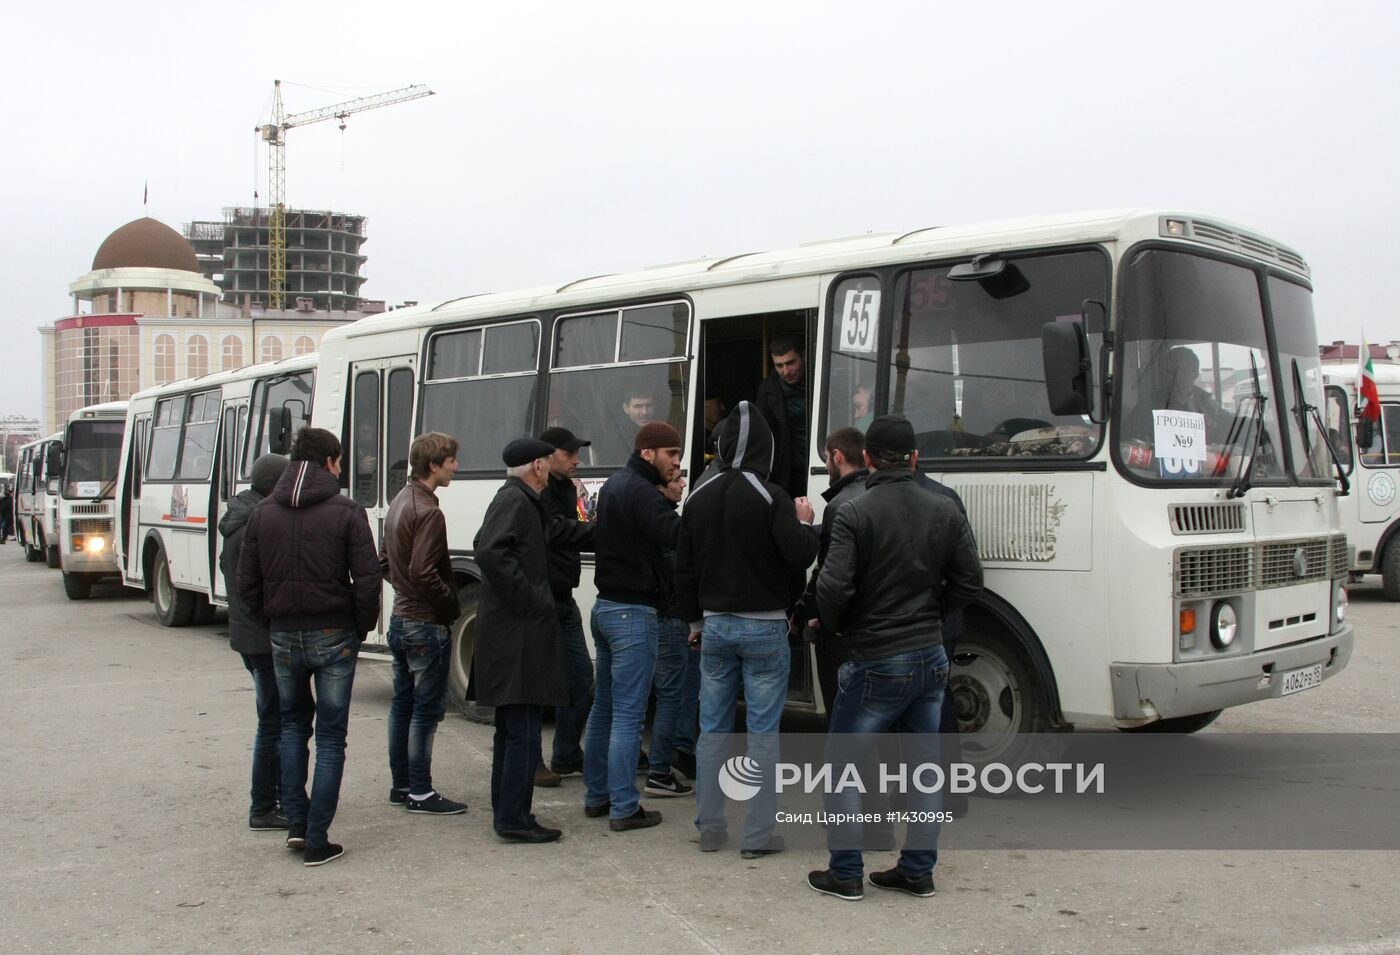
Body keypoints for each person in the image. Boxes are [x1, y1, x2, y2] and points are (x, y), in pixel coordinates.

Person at [806, 414, 982, 901]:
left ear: (866, 459)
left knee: (841, 766)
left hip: (876, 655)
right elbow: (970, 582)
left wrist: (841, 624)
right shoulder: (944, 507)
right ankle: (917, 870)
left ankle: (845, 873)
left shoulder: (853, 511)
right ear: (915, 457)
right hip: (930, 653)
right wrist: (931, 612)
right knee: (924, 768)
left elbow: (833, 587)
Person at [675, 401, 819, 857]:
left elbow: (685, 570)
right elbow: (799, 554)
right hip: (764, 630)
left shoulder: (697, 495)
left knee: (712, 732)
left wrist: (695, 622)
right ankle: (758, 837)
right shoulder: (771, 495)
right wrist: (806, 524)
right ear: (766, 448)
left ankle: (710, 828)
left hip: (714, 628)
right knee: (762, 737)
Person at [238, 427, 382, 867]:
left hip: (283, 634)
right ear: (331, 462)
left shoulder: (263, 513)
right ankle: (318, 836)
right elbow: (369, 579)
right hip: (333, 633)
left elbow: (247, 584)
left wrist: (273, 619)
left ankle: (297, 826)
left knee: (292, 728)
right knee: (332, 738)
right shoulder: (346, 511)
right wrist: (358, 628)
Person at [583, 421, 684, 831]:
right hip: (632, 614)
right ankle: (624, 807)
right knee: (627, 715)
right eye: (670, 455)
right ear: (648, 453)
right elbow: (677, 538)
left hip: (605, 608)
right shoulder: (644, 493)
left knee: (603, 708)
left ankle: (596, 796)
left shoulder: (614, 485)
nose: (676, 463)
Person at [473, 437, 569, 843]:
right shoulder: (513, 500)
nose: (551, 465)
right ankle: (514, 818)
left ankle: (508, 812)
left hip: (516, 632)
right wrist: (532, 599)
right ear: (537, 466)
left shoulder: (523, 500)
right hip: (518, 635)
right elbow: (490, 551)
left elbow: (551, 535)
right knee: (522, 731)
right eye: (548, 460)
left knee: (513, 729)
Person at [380, 432, 467, 816]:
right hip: (424, 624)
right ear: (433, 465)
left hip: (401, 619)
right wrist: (452, 605)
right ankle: (420, 790)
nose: (456, 466)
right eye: (451, 460)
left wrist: (406, 592)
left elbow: (385, 562)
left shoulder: (400, 500)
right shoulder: (429, 510)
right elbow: (424, 572)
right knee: (426, 711)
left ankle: (402, 785)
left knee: (403, 705)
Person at [218, 452, 290, 833]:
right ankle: (264, 806)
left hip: (248, 634)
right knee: (273, 723)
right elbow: (256, 588)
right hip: (262, 638)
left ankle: (275, 798)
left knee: (273, 720)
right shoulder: (254, 527)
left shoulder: (237, 518)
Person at [535, 427, 598, 786]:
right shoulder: (538, 490)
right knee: (537, 683)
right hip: (542, 598)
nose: (577, 460)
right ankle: (532, 761)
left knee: (579, 675)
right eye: (571, 454)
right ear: (549, 456)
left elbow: (573, 526)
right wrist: (600, 532)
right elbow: (557, 531)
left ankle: (566, 753)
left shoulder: (566, 487)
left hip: (563, 596)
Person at [793, 427, 870, 714]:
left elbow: (828, 575)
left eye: (826, 458)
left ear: (837, 456)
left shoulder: (839, 505)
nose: (826, 465)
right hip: (877, 627)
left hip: (845, 633)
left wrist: (806, 615)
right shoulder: (877, 493)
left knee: (843, 720)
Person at [644, 472, 696, 798]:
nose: (682, 485)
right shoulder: (665, 525)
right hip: (670, 619)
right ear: (661, 486)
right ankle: (660, 771)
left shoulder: (656, 518)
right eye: (677, 479)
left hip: (663, 617)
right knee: (670, 698)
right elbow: (677, 575)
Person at [754, 334, 811, 499]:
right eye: (779, 365)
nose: (786, 371)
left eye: (791, 363)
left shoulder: (821, 380)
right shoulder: (768, 392)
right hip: (789, 471)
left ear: (804, 356)